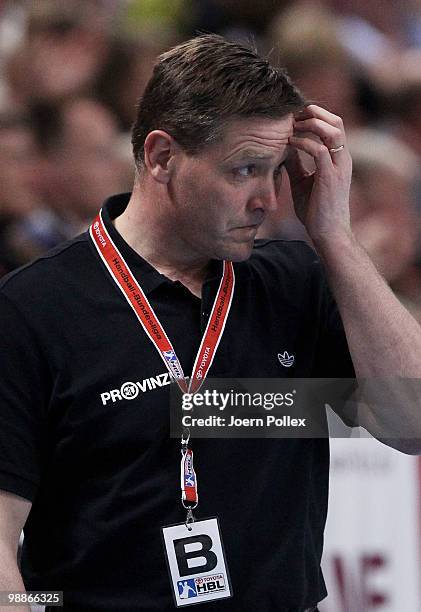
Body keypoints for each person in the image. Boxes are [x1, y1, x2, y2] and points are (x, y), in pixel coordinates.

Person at [0, 34, 420, 612]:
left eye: (278, 171)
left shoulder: (296, 282)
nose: (269, 201)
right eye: (246, 169)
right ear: (162, 157)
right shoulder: (36, 308)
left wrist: (335, 237)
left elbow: (412, 420)